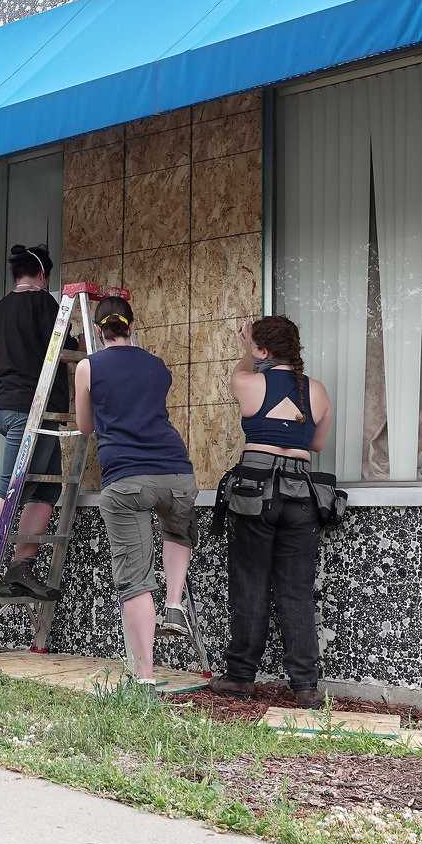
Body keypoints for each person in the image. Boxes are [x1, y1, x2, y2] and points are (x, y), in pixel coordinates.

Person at [210, 315, 334, 708]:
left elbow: (240, 370)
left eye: (255, 345)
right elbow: (315, 444)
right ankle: (306, 686)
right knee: (296, 589)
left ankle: (241, 676)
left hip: (254, 492)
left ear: (262, 350)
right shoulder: (317, 391)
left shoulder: (248, 382)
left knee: (250, 583)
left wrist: (248, 346)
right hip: (301, 495)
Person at [73, 296, 196, 686]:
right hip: (176, 472)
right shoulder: (157, 366)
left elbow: (86, 425)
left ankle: (144, 678)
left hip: (126, 479)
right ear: (132, 324)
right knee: (177, 530)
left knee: (136, 580)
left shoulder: (87, 366)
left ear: (98, 329)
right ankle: (175, 604)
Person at [0, 243, 73, 601]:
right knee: (10, 487)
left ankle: (21, 568)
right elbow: (59, 348)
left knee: (46, 489)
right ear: (43, 275)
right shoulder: (43, 302)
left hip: (14, 408)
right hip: (31, 410)